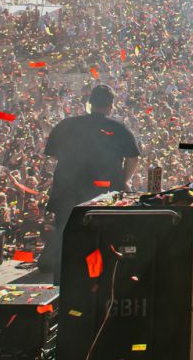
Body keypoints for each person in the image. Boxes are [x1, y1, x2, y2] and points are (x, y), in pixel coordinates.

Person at [41, 85, 140, 278]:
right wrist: (122, 180)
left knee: (65, 236)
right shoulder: (119, 129)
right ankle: (97, 285)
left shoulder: (66, 125)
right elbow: (133, 159)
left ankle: (62, 287)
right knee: (102, 239)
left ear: (89, 103)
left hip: (67, 193)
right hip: (103, 194)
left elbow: (51, 156)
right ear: (111, 105)